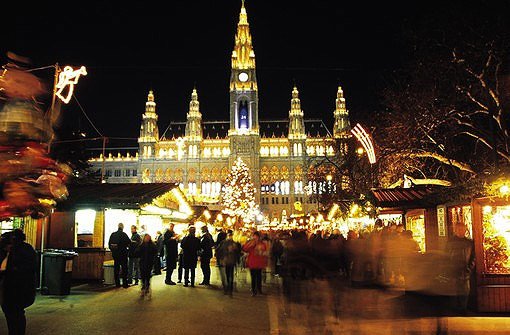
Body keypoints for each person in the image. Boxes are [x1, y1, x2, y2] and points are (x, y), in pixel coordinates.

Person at [0, 229, 36, 335]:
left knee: (16, 313)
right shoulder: (6, 251)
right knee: (10, 312)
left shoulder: (23, 250)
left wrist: (12, 270)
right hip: (8, 287)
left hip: (19, 287)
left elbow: (29, 268)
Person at [446, 224, 475, 315]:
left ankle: (463, 309)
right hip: (452, 270)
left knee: (465, 291)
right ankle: (454, 309)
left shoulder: (469, 242)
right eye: (458, 229)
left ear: (465, 230)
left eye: (462, 229)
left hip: (465, 270)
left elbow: (473, 257)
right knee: (453, 291)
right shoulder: (450, 242)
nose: (460, 231)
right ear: (455, 230)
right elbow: (446, 256)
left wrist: (469, 268)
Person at [242, 231, 268, 296]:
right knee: (253, 277)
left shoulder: (261, 244)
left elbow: (264, 251)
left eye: (256, 236)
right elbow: (245, 248)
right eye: (254, 236)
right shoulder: (251, 243)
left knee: (259, 277)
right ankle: (254, 291)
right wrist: (251, 244)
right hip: (252, 262)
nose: (255, 238)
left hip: (259, 262)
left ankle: (259, 290)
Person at [216, 230, 239, 296]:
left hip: (229, 261)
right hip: (227, 261)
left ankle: (228, 289)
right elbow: (219, 251)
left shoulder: (232, 243)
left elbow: (237, 252)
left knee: (228, 275)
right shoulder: (225, 243)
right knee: (228, 275)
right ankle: (228, 288)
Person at [108, 223, 131, 288]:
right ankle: (125, 284)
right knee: (124, 269)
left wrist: (113, 251)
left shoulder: (113, 234)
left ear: (118, 227)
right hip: (123, 254)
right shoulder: (124, 234)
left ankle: (117, 284)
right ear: (122, 227)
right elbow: (129, 242)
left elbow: (110, 244)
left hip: (116, 255)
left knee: (116, 269)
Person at [138, 234, 158, 298]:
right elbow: (137, 252)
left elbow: (155, 251)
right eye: (146, 238)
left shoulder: (152, 245)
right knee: (143, 276)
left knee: (148, 276)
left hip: (149, 263)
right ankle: (144, 287)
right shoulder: (141, 245)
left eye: (148, 238)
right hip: (142, 263)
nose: (147, 239)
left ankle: (147, 288)